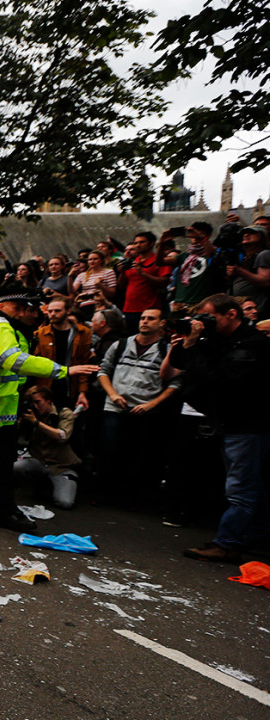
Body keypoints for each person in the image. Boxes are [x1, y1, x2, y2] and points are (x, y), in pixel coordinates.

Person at [0, 283, 99, 531]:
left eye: (28, 308)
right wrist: (63, 370)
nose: (26, 313)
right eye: (19, 307)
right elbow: (13, 361)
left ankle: (2, 511)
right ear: (2, 306)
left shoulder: (11, 329)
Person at [165, 294, 270, 563]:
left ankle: (228, 543)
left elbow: (217, 379)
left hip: (250, 425)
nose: (204, 323)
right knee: (250, 485)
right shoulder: (219, 339)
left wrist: (195, 347)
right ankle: (254, 537)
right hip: (230, 422)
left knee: (241, 488)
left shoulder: (253, 344)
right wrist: (189, 339)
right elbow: (179, 361)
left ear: (232, 314)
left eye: (209, 317)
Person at [95, 308, 180, 504]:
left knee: (138, 455)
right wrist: (113, 395)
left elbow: (176, 382)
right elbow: (103, 371)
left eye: (151, 318)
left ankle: (130, 497)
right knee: (109, 451)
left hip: (145, 409)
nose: (144, 321)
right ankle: (105, 494)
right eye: (142, 318)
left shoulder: (165, 349)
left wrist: (152, 404)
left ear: (161, 324)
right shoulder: (121, 344)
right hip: (115, 406)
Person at [15, 386, 81, 509]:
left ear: (48, 400)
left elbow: (62, 436)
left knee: (64, 503)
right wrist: (19, 420)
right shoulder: (30, 415)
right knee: (16, 467)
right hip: (39, 462)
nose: (35, 406)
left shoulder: (64, 413)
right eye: (32, 403)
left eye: (37, 402)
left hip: (61, 467)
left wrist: (36, 423)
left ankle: (51, 486)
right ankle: (38, 484)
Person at [31, 296, 93, 410]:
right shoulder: (40, 334)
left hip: (69, 385)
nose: (52, 314)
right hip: (46, 386)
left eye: (57, 311)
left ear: (68, 311)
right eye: (50, 311)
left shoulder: (83, 333)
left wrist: (82, 392)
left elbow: (83, 363)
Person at [173, 222, 228, 310]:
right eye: (192, 233)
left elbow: (211, 254)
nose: (195, 236)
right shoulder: (185, 255)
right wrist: (162, 242)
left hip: (202, 303)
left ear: (208, 236)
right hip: (181, 303)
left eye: (199, 233)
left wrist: (202, 238)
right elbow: (160, 262)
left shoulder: (214, 252)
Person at [228, 224, 270, 316]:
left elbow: (265, 281)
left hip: (258, 310)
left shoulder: (264, 254)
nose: (246, 235)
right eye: (244, 233)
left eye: (252, 233)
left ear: (262, 236)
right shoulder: (245, 257)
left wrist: (239, 271)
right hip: (245, 310)